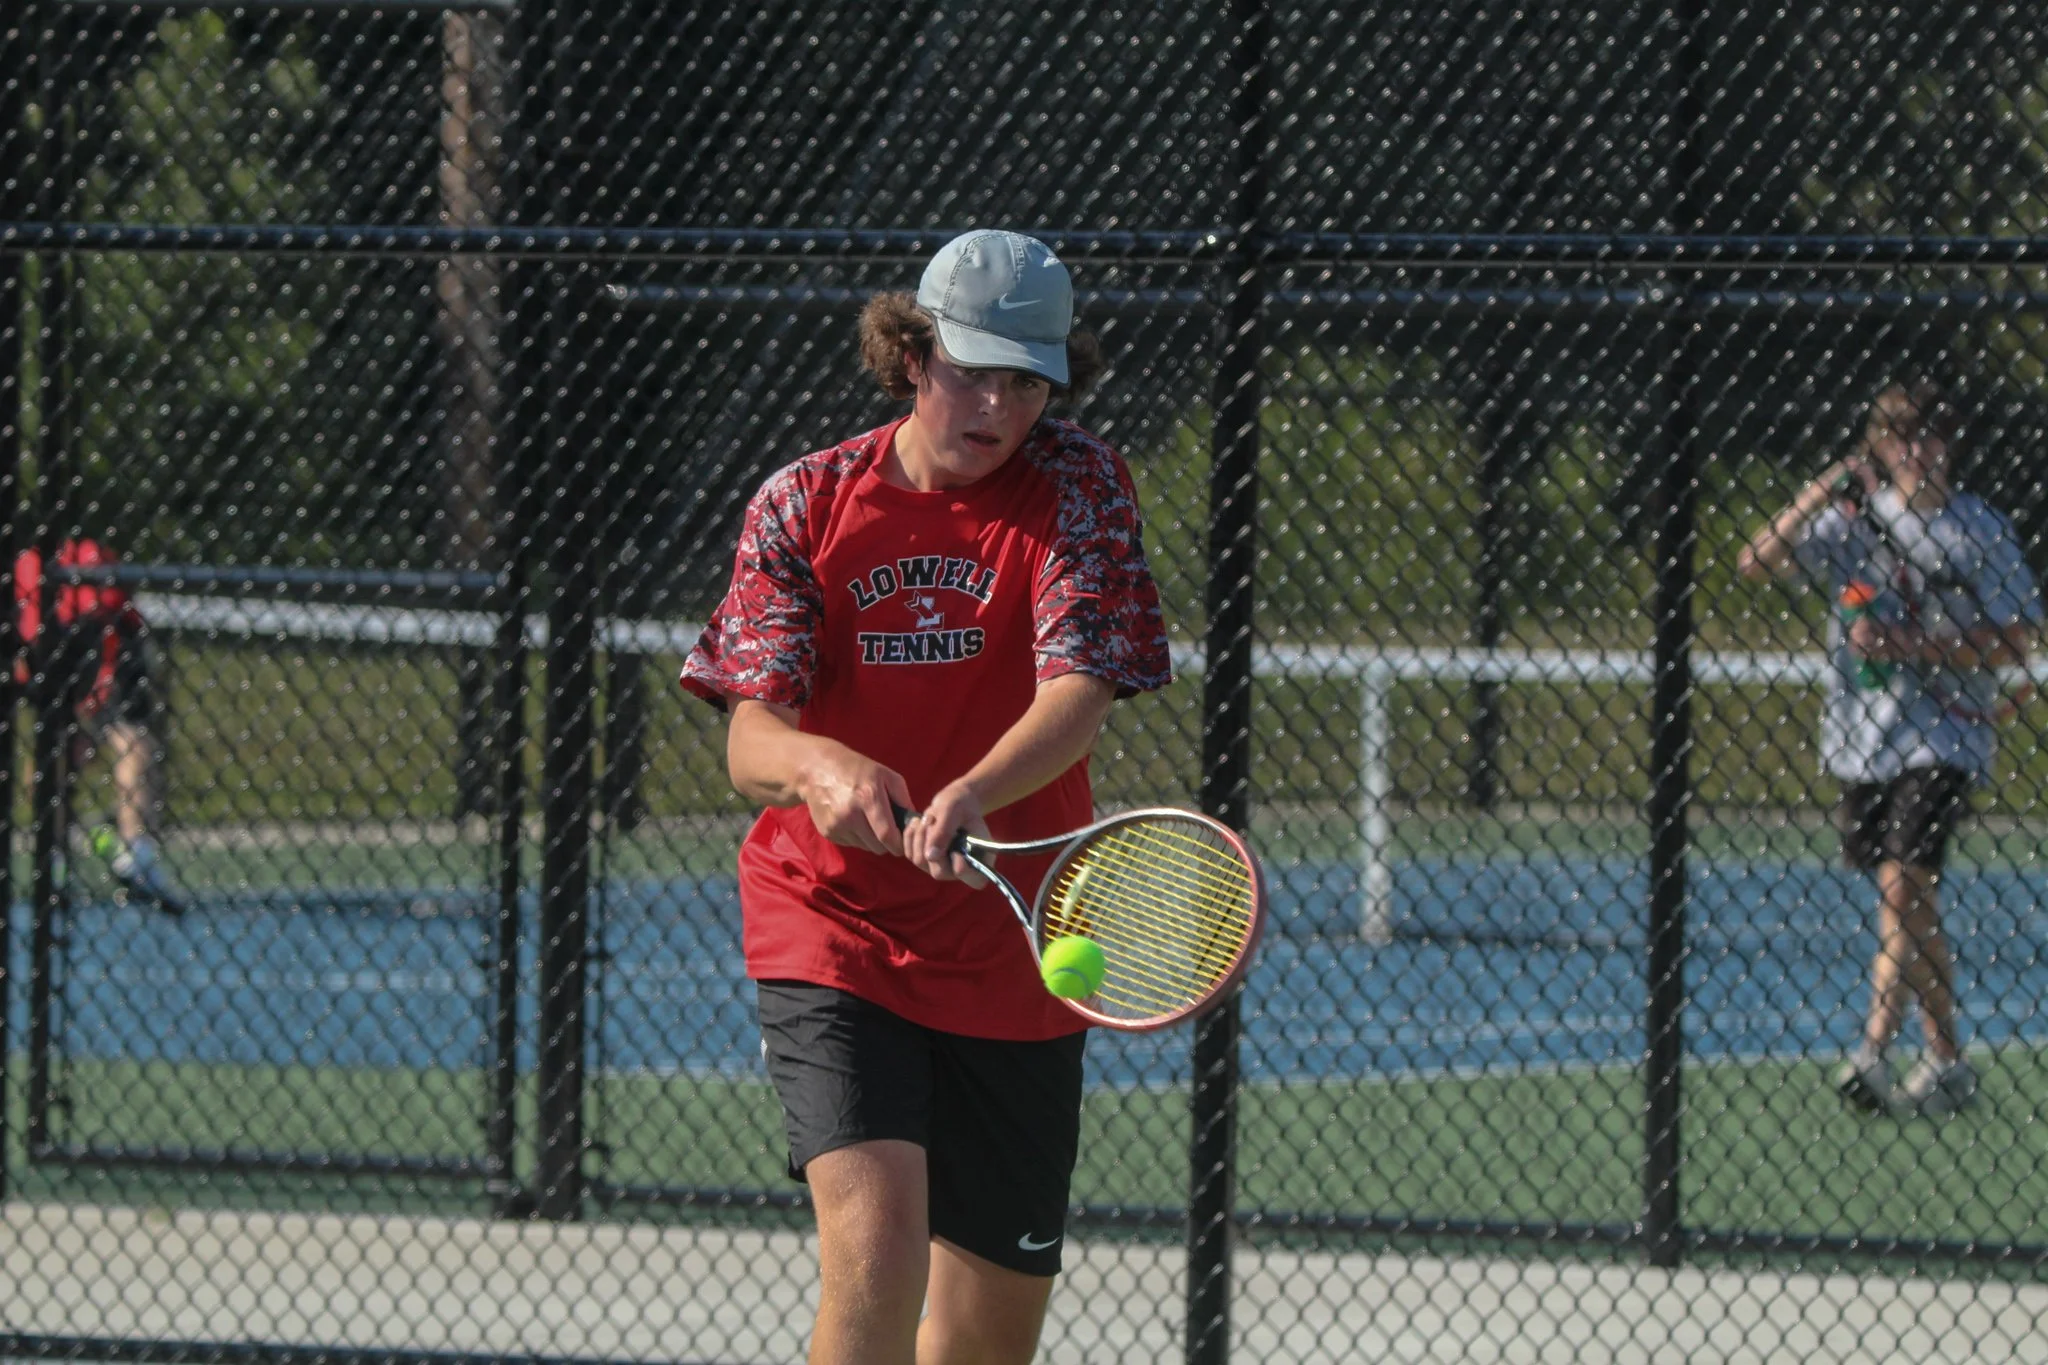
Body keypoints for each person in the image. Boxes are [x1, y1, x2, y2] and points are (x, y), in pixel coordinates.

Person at [680, 229, 1171, 1364]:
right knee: (875, 1247)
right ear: (912, 356)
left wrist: (973, 794)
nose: (997, 406)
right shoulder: (806, 501)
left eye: (1027, 383)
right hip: (833, 924)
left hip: (1016, 934)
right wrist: (821, 767)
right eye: (972, 372)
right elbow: (751, 736)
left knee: (983, 1341)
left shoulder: (1079, 484)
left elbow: (1080, 688)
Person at [1738, 380, 2041, 1117]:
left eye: (1930, 434)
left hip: (1946, 734)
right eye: (1901, 436)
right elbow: (1756, 562)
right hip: (1863, 734)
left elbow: (2017, 640)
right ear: (1879, 445)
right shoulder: (1854, 524)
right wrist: (1820, 489)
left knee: (1903, 886)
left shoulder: (1980, 530)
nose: (1917, 450)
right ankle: (1947, 1059)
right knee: (1907, 899)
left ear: (1951, 443)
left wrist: (1913, 645)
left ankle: (1873, 1051)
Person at [14, 536, 177, 910]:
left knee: (129, 742)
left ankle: (131, 853)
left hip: (102, 647)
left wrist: (99, 687)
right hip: (61, 648)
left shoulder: (84, 564)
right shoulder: (29, 567)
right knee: (63, 749)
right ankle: (62, 854)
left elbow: (108, 627)